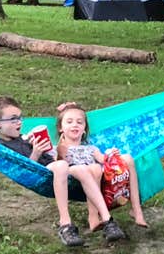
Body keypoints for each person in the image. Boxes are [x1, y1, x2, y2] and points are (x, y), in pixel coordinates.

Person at [0, 97, 108, 247]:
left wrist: (37, 144)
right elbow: (25, 169)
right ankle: (65, 223)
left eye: (19, 117)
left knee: (91, 169)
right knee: (62, 166)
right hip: (44, 172)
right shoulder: (2, 146)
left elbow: (51, 156)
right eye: (13, 119)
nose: (19, 122)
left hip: (58, 166)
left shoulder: (22, 138)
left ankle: (105, 218)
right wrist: (36, 153)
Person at [54, 100, 147, 240]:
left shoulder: (91, 148)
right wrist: (61, 153)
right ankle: (93, 216)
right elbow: (57, 167)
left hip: (98, 176)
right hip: (74, 175)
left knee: (127, 158)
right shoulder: (59, 148)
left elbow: (104, 160)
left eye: (80, 122)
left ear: (84, 128)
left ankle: (137, 210)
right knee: (94, 168)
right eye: (69, 122)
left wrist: (110, 153)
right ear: (61, 128)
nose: (75, 125)